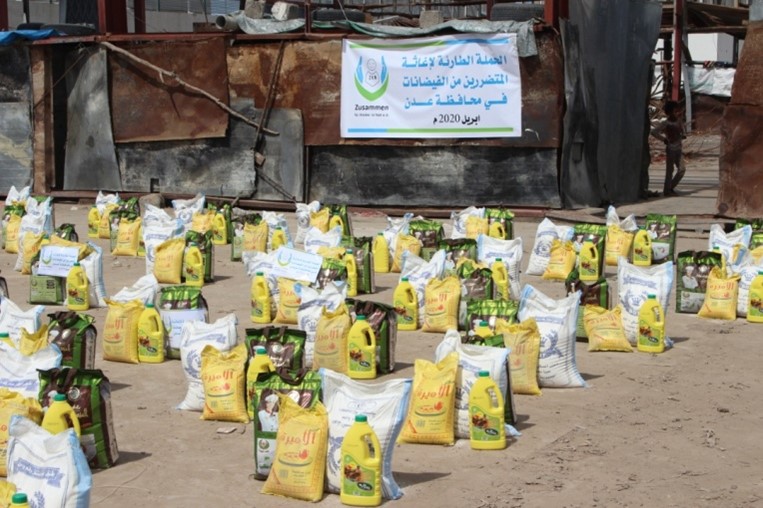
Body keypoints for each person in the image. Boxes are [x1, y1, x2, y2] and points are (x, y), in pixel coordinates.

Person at [651, 100, 686, 196]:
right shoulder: (666, 123)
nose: (677, 113)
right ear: (670, 112)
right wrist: (663, 139)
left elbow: (682, 132)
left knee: (682, 169)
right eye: (675, 111)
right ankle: (667, 190)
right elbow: (654, 132)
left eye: (678, 111)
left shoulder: (679, 121)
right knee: (669, 171)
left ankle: (670, 187)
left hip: (679, 149)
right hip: (670, 149)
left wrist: (682, 135)